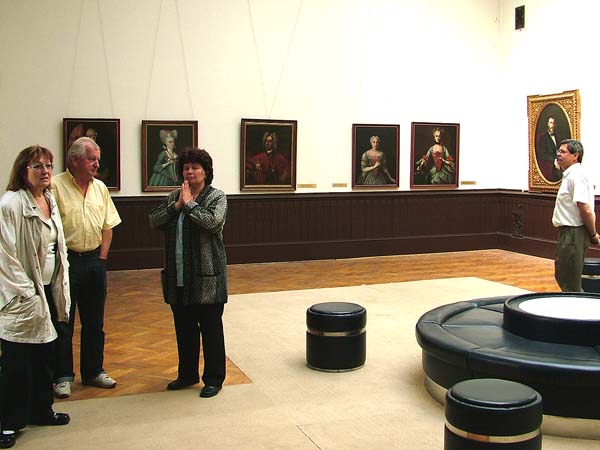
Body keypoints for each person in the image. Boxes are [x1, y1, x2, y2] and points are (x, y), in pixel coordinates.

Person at [0, 145, 71, 448]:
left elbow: (57, 248)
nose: (45, 171)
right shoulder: (10, 204)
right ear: (22, 170)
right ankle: (8, 423)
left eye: (48, 165)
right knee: (17, 362)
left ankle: (41, 410)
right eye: (37, 166)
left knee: (45, 357)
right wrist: (27, 292)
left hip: (48, 291)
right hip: (22, 297)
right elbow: (5, 256)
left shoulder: (48, 199)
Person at [149, 147, 228, 398]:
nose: (190, 172)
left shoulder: (216, 196)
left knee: (211, 330)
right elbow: (154, 220)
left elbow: (212, 222)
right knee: (184, 329)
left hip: (207, 277)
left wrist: (190, 204)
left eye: (195, 167)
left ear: (206, 171)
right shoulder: (175, 196)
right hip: (179, 275)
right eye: (186, 167)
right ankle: (187, 374)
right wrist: (176, 206)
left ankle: (214, 378)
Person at [51, 136, 121, 398]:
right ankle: (62, 376)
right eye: (92, 159)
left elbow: (108, 225)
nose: (96, 164)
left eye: (97, 160)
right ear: (75, 160)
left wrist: (101, 259)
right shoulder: (55, 186)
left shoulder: (100, 188)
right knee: (63, 321)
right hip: (65, 262)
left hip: (94, 261)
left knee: (94, 321)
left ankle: (93, 371)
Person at [552, 139, 599, 291]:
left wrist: (593, 234)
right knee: (564, 274)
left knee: (569, 281)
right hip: (568, 233)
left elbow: (585, 209)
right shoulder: (570, 175)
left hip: (573, 233)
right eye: (558, 151)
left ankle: (580, 305)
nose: (558, 154)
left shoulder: (576, 175)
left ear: (575, 156)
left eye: (563, 151)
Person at [536, 116, 562, 182]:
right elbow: (542, 154)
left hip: (559, 163)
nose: (552, 125)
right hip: (549, 165)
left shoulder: (557, 136)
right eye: (551, 123)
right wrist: (554, 160)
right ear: (548, 124)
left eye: (553, 123)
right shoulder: (543, 137)